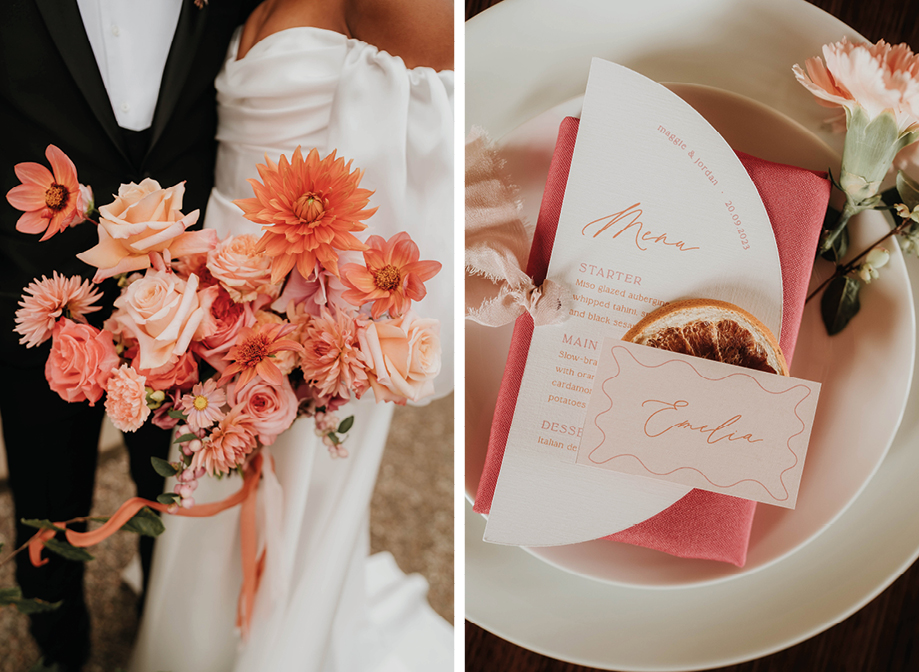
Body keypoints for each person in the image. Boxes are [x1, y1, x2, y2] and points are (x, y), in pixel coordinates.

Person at [129, 1, 454, 671]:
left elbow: (432, 135)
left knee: (303, 495)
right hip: (220, 292)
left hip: (320, 309)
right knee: (209, 472)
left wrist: (342, 322)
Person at [0, 2, 259, 669]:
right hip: (41, 296)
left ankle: (159, 633)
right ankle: (60, 647)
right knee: (47, 509)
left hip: (190, 303)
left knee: (174, 500)